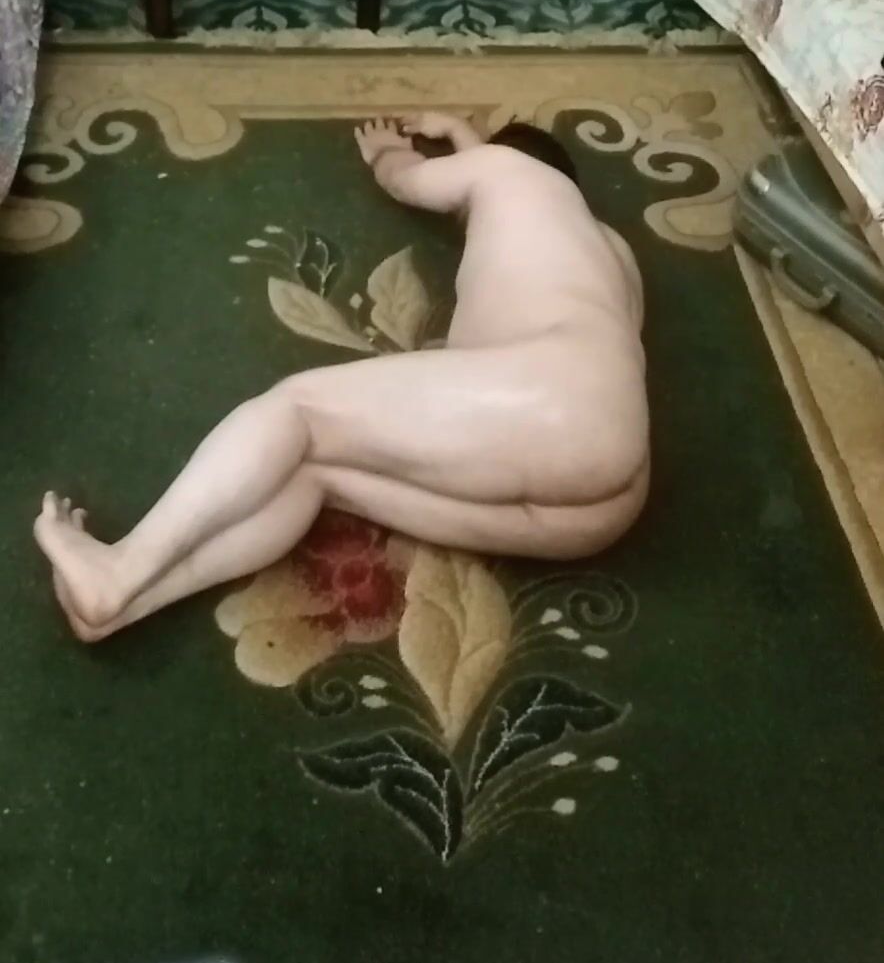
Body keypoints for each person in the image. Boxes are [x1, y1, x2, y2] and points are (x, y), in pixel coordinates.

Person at [34, 112, 650, 643]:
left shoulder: (504, 170)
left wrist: (389, 152)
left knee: (298, 412)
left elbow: (413, 181)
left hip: (553, 403)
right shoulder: (613, 251)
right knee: (312, 473)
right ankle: (123, 606)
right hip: (605, 501)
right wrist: (471, 143)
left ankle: (123, 567)